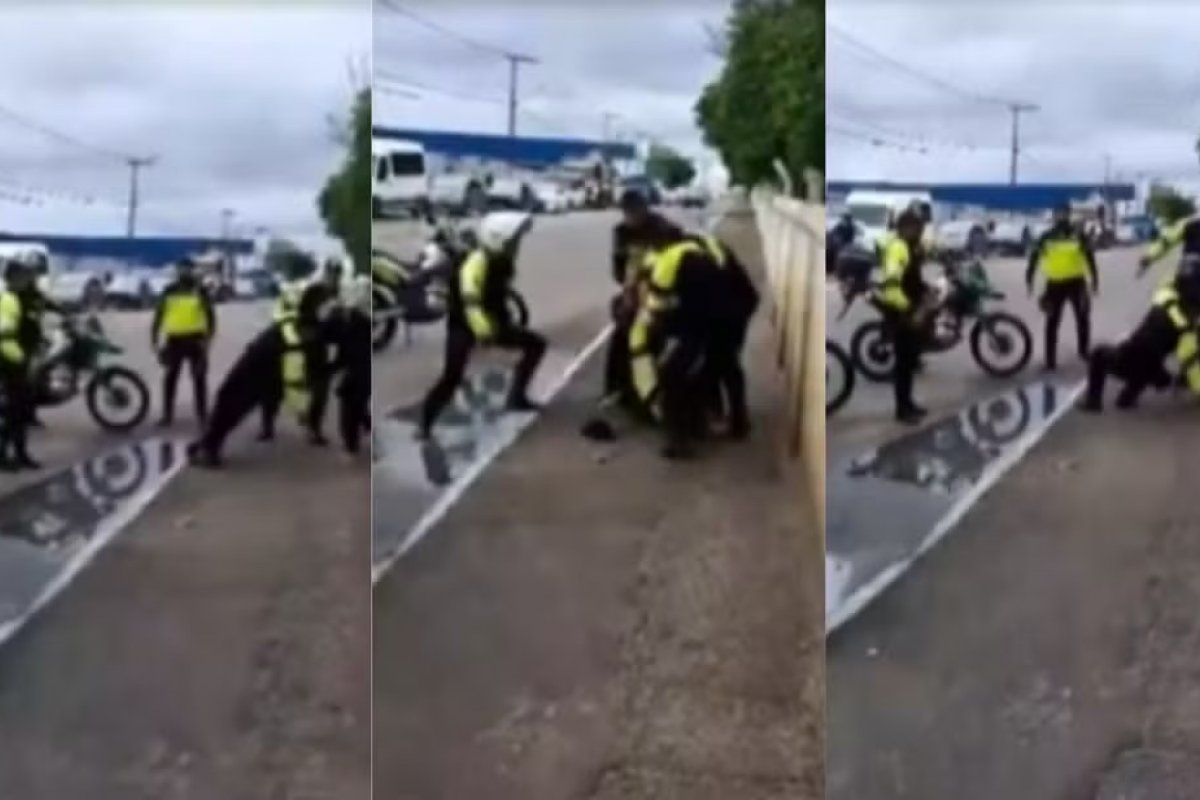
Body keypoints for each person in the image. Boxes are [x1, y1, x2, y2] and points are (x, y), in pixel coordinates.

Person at [417, 210, 547, 439]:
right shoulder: (476, 263)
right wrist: (484, 331)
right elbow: (471, 302)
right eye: (512, 241)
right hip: (464, 327)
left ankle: (517, 397)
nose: (516, 245)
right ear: (497, 240)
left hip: (493, 323)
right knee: (451, 377)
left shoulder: (500, 260)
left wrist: (498, 323)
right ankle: (425, 424)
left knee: (536, 345)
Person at [631, 225, 725, 459]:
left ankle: (678, 442)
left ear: (662, 242)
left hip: (688, 330)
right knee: (694, 377)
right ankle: (697, 426)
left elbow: (657, 303)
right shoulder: (701, 251)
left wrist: (653, 319)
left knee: (670, 377)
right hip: (712, 324)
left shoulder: (669, 259)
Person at [187, 312, 318, 468]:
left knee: (231, 418)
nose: (310, 339)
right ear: (303, 329)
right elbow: (283, 371)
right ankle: (208, 450)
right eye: (310, 335)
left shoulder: (284, 336)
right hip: (243, 378)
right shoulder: (281, 340)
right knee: (226, 415)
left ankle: (202, 447)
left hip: (255, 382)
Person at [1081, 254, 1200, 413]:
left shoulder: (1165, 296)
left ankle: (1092, 403)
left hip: (1138, 353)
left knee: (1098, 354)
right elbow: (1188, 353)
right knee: (1142, 366)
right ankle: (1153, 383)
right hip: (1153, 364)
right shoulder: (1192, 317)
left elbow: (1169, 282)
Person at [605, 189, 685, 409]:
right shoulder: (621, 232)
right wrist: (629, 287)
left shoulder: (665, 229)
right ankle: (617, 387)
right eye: (627, 213)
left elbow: (678, 264)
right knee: (621, 334)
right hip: (634, 292)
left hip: (661, 290)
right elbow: (619, 270)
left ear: (645, 209)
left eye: (635, 212)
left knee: (658, 338)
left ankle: (657, 391)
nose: (631, 218)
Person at [688, 232, 759, 439]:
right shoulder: (702, 248)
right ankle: (729, 417)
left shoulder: (688, 259)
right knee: (721, 364)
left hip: (731, 309)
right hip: (736, 303)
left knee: (719, 364)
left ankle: (730, 419)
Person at [1025, 203, 1099, 371]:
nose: (1061, 217)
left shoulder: (1079, 235)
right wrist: (1029, 280)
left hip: (1077, 283)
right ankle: (1050, 361)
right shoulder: (1046, 237)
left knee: (1083, 318)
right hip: (1054, 285)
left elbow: (1090, 257)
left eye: (1064, 213)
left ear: (1069, 214)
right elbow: (1034, 260)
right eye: (1058, 214)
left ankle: (1084, 351)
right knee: (1052, 322)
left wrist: (1095, 280)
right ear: (1053, 216)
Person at [873, 208, 929, 424]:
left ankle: (909, 403)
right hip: (900, 312)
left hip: (909, 309)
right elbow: (892, 286)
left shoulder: (909, 247)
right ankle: (902, 410)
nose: (920, 232)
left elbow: (912, 278)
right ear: (905, 228)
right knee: (903, 364)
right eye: (917, 228)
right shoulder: (898, 248)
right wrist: (908, 309)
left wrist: (925, 290)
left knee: (910, 361)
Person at [151, 257, 216, 426]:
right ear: (177, 271)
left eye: (187, 269)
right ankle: (167, 416)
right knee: (170, 379)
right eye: (181, 269)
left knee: (199, 379)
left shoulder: (200, 290)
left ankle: (202, 416)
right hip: (174, 341)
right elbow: (159, 315)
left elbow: (210, 317)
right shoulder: (169, 290)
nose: (184, 272)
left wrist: (208, 341)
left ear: (192, 270)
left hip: (196, 340)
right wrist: (154, 339)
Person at [0, 261, 40, 470]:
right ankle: (4, 454)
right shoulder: (8, 300)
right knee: (15, 410)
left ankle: (21, 453)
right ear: (12, 278)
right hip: (11, 360)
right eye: (22, 276)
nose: (27, 279)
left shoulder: (23, 298)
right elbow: (4, 334)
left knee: (22, 410)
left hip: (22, 358)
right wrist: (20, 357)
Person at [332, 275, 371, 456]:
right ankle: (364, 427)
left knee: (351, 403)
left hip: (358, 370)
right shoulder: (355, 318)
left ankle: (351, 444)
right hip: (360, 367)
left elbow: (345, 349)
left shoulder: (352, 319)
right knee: (357, 401)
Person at [1137, 212, 1200, 280]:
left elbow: (1167, 240)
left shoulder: (1189, 223)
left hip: (1190, 272)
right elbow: (1167, 240)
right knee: (1166, 288)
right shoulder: (1190, 223)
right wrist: (1149, 256)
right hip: (1191, 274)